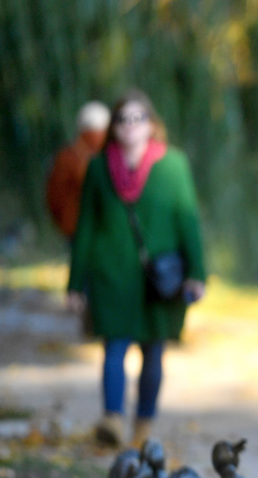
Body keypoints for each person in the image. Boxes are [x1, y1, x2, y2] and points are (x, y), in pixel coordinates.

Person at [67, 90, 207, 447]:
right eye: (122, 119)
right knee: (114, 347)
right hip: (111, 274)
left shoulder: (172, 165)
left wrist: (198, 273)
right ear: (113, 127)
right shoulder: (99, 167)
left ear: (151, 124)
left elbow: (188, 220)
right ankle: (112, 418)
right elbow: (84, 226)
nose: (130, 126)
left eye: (137, 118)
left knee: (153, 351)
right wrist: (74, 283)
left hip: (159, 278)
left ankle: (144, 424)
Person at [46, 101, 111, 239]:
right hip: (104, 228)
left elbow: (53, 198)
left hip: (75, 228)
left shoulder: (65, 157)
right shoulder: (112, 154)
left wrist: (64, 223)